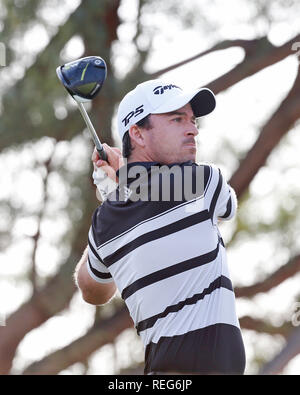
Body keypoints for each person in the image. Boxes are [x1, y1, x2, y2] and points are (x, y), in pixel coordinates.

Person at [74, 79, 246, 375]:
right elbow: (227, 206)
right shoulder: (203, 183)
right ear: (138, 134)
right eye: (177, 119)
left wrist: (117, 193)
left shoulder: (105, 222)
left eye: (192, 120)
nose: (193, 129)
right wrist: (123, 183)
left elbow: (92, 290)